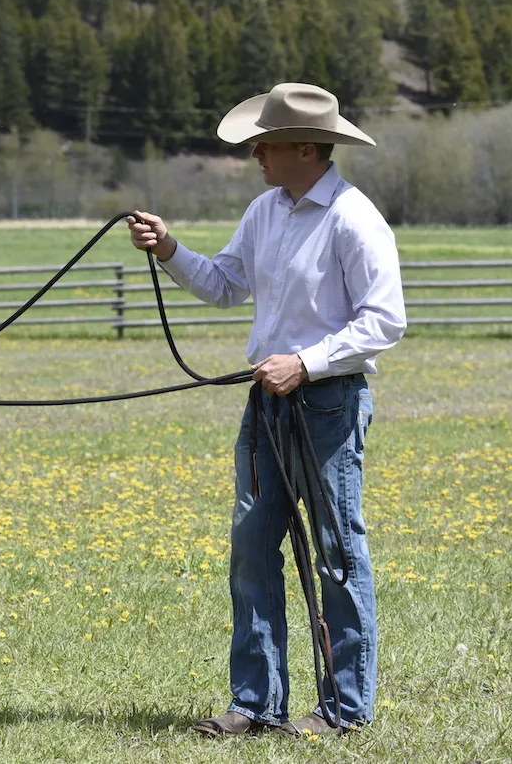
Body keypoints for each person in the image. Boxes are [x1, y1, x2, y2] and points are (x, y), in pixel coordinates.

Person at [127, 83, 406, 738]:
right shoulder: (265, 211)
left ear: (305, 149)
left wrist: (306, 362)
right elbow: (225, 283)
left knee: (337, 554)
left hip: (329, 405)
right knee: (252, 548)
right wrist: (169, 250)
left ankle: (344, 710)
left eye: (266, 143)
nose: (256, 153)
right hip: (268, 408)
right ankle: (256, 704)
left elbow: (385, 321)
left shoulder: (353, 220)